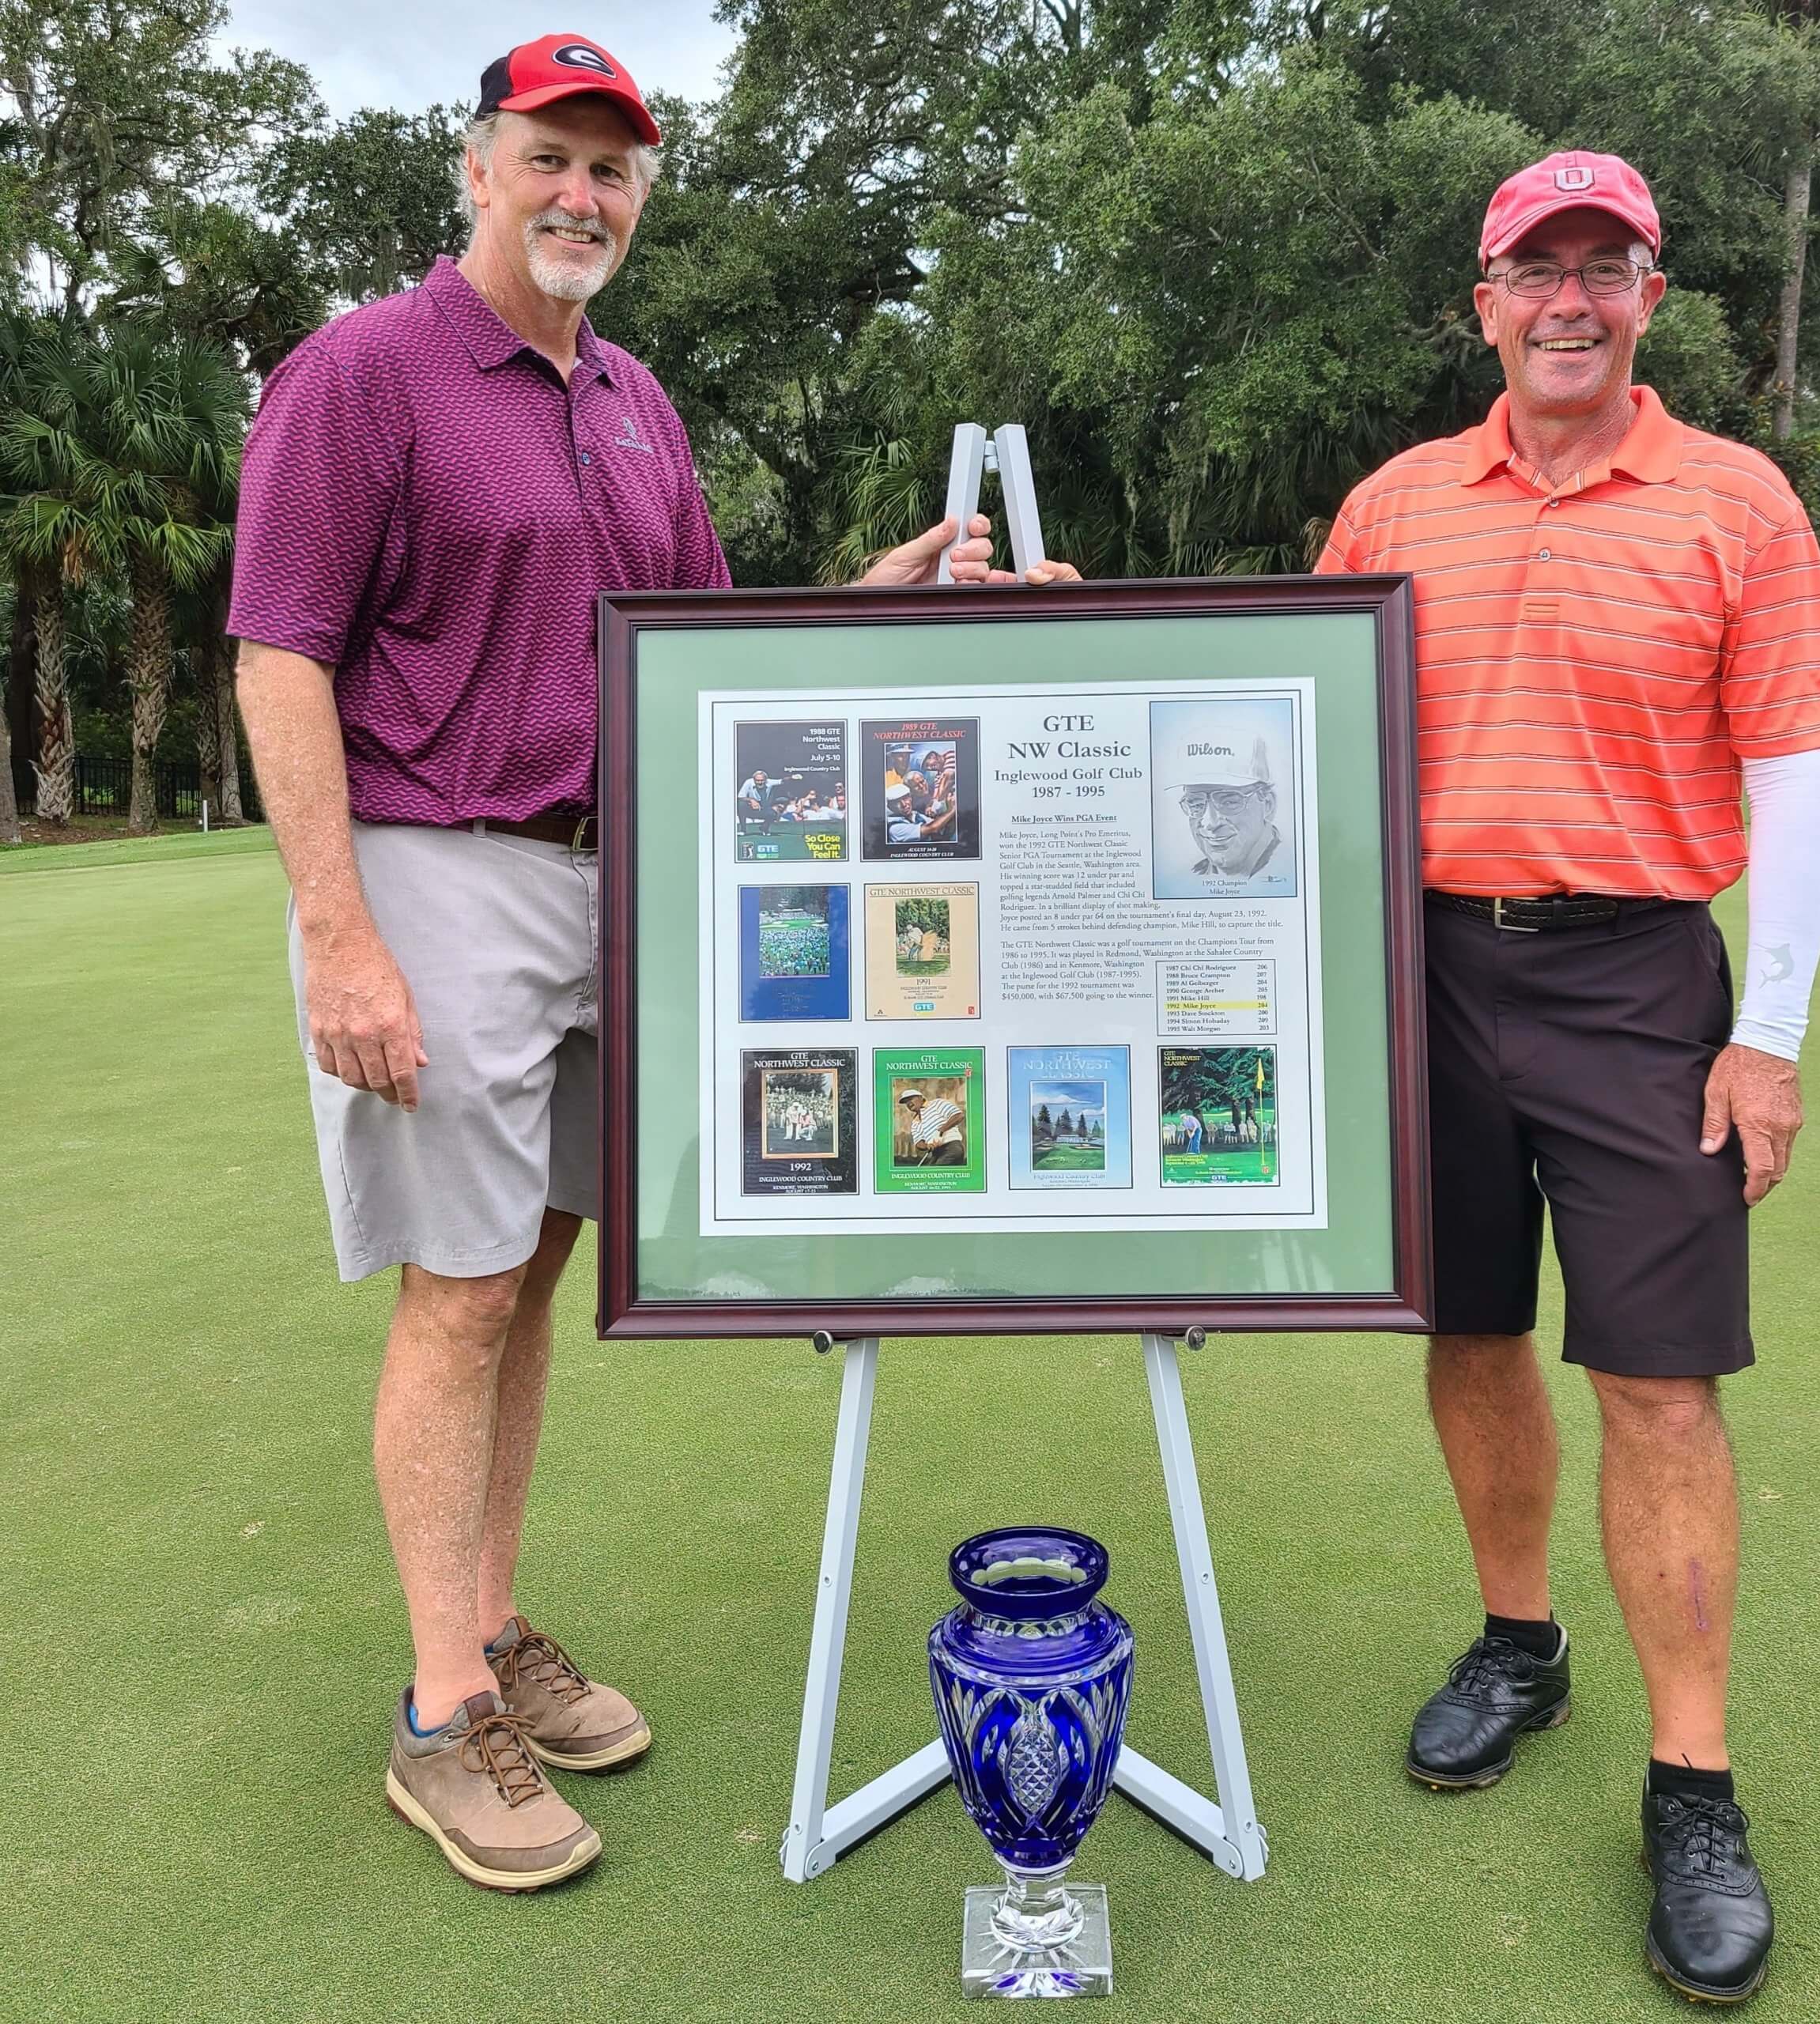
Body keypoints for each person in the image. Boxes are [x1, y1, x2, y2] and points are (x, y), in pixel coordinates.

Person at [229, 29, 1076, 1896]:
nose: (581, 192)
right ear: (475, 165)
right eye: (551, 155)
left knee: (528, 1266)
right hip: (439, 862)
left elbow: (702, 647)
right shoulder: (365, 371)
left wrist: (880, 597)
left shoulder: (632, 398)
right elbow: (280, 649)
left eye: (613, 165)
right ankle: (443, 1709)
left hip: (612, 881)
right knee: (456, 1291)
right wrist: (337, 927)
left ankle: (494, 1614)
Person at [1318, 150, 1820, 2004]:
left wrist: (1764, 1029)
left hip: (1637, 981)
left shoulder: (1732, 499)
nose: (1562, 298)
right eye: (1527, 268)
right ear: (1479, 301)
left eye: (1597, 266)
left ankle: (1688, 1778)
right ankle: (1517, 1636)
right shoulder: (1393, 503)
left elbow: (1789, 771)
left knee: (1654, 1388)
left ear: (1645, 294)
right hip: (1426, 969)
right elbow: (1270, 712)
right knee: (1464, 1335)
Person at [1168, 732, 1282, 881]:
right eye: (1196, 803)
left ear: (1268, 804)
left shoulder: (1294, 870)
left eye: (1229, 802)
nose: (1210, 823)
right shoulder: (1188, 878)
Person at [897, 1088, 967, 1165]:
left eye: (910, 1099)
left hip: (952, 1148)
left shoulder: (937, 1103)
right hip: (936, 1153)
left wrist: (940, 1131)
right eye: (906, 1102)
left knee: (935, 1173)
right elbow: (918, 1143)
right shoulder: (915, 1122)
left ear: (921, 1098)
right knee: (927, 1174)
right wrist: (927, 1146)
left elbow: (959, 1115)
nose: (908, 1103)